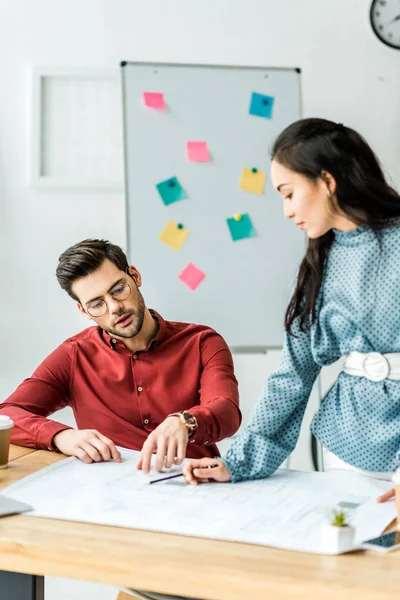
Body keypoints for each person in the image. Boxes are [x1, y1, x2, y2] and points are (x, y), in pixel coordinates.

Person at [183, 117, 400, 489]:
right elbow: (293, 374)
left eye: (288, 193)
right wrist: (240, 461)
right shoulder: (320, 264)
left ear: (327, 181)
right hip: (347, 449)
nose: (285, 211)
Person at [0, 239, 241, 473]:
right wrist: (61, 436)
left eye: (118, 290)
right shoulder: (74, 355)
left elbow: (227, 412)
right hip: (112, 497)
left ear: (135, 277)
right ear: (83, 311)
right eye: (96, 304)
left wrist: (186, 421)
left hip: (196, 486)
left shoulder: (202, 342)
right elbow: (7, 413)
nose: (114, 307)